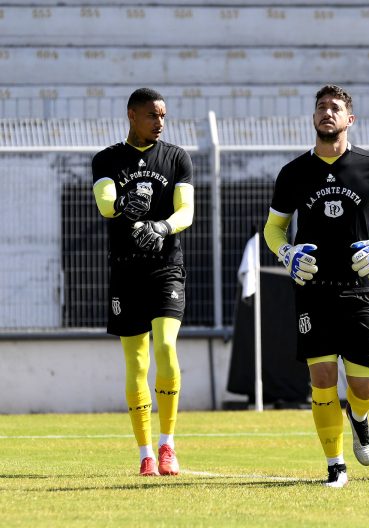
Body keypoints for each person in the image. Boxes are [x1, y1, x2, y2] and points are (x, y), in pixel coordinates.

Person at [263, 84, 369, 487]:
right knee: (322, 379)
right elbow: (274, 228)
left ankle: (359, 417)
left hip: (361, 288)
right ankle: (334, 465)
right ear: (314, 118)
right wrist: (286, 254)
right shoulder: (293, 173)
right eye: (321, 107)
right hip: (313, 290)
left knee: (364, 386)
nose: (328, 112)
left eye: (336, 108)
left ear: (349, 119)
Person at [92, 88, 194, 476]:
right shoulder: (107, 159)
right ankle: (145, 453)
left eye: (164, 115)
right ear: (132, 115)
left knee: (166, 346)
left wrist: (163, 226)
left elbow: (186, 210)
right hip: (125, 270)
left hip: (166, 265)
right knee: (136, 361)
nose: (160, 122)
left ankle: (168, 446)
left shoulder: (176, 158)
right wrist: (120, 205)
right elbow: (104, 201)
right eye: (153, 115)